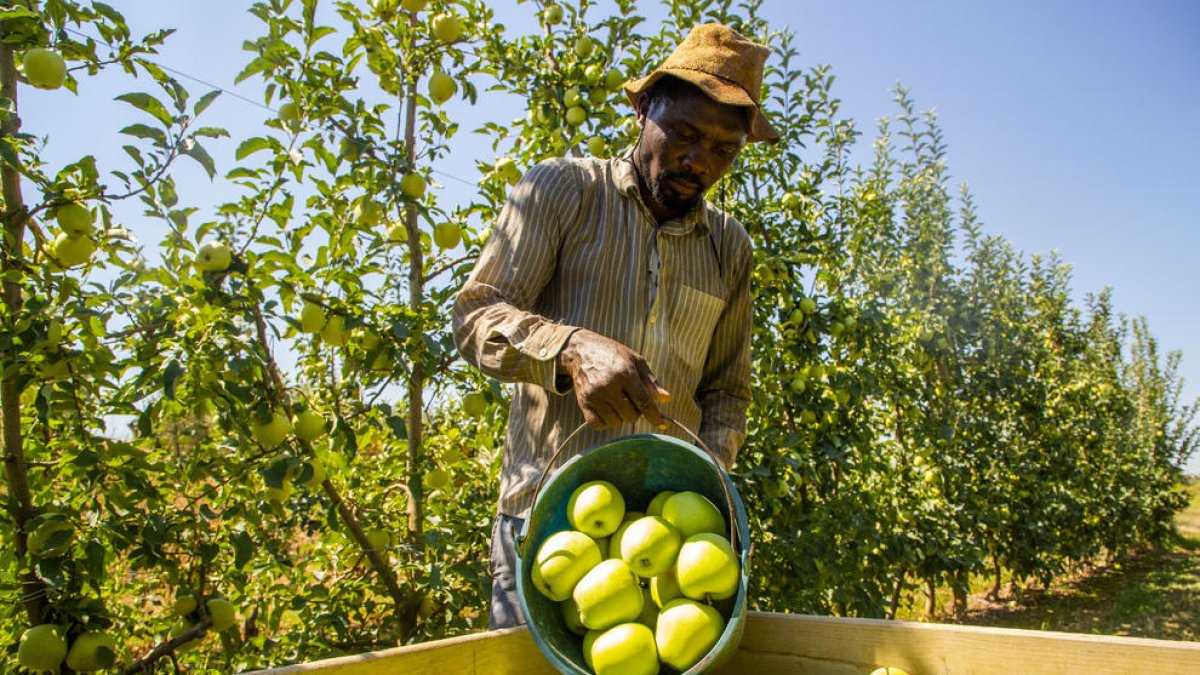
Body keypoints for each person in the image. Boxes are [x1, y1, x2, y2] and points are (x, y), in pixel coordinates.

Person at [452, 22, 780, 630]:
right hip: (545, 527)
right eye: (683, 133)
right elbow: (475, 316)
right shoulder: (562, 190)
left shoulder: (730, 247)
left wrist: (709, 484)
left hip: (672, 547)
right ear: (641, 107)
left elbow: (726, 392)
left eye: (723, 150)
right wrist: (570, 348)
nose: (698, 161)